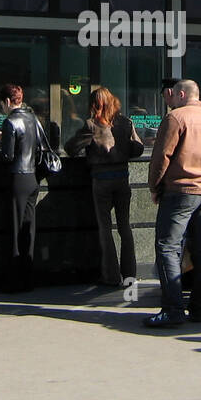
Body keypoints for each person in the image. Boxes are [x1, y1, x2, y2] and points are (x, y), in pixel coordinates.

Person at [144, 80, 201, 327]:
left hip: (180, 190)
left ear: (182, 94)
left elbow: (161, 157)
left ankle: (173, 308)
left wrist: (155, 187)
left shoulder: (175, 118)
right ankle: (199, 308)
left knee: (167, 246)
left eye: (174, 94)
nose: (171, 97)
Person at [65, 88, 144, 287]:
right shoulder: (126, 122)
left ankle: (111, 276)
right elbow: (138, 148)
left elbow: (71, 149)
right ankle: (130, 275)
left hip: (101, 179)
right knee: (125, 226)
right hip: (122, 178)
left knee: (105, 228)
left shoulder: (91, 125)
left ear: (94, 104)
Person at [0, 83, 42, 293]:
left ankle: (14, 279)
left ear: (8, 102)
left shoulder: (10, 121)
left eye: (2, 104)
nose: (2, 108)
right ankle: (28, 276)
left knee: (15, 229)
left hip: (17, 178)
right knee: (29, 227)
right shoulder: (32, 118)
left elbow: (8, 156)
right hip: (32, 178)